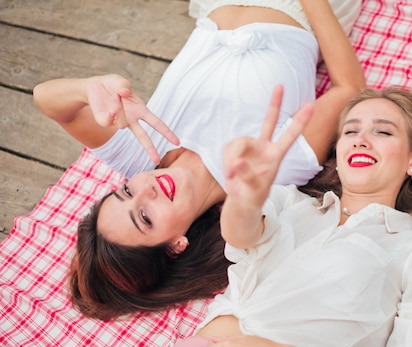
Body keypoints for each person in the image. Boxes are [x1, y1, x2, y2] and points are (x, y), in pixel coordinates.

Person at [119, 86, 412, 347]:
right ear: (338, 154)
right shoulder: (288, 202)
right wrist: (244, 194)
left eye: (383, 131)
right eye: (350, 130)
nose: (360, 140)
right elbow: (242, 233)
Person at [33, 0, 365, 320]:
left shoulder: (139, 150)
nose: (146, 191)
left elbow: (47, 100)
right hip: (304, 10)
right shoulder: (264, 170)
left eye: (127, 193)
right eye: (145, 217)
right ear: (176, 245)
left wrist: (88, 88)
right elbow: (348, 86)